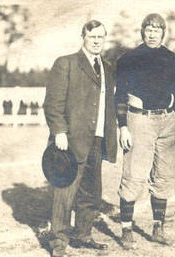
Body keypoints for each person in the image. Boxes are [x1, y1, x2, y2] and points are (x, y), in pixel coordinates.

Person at [115, 13, 175, 249]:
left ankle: (158, 228)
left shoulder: (172, 59)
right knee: (134, 175)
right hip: (140, 120)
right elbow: (119, 96)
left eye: (156, 30)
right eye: (148, 29)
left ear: (162, 33)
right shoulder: (129, 58)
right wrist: (123, 126)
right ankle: (126, 230)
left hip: (167, 120)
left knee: (163, 176)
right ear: (143, 31)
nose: (152, 34)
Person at [44, 20, 117, 257]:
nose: (97, 41)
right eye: (92, 36)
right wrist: (59, 132)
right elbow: (52, 104)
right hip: (71, 140)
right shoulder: (66, 63)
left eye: (101, 37)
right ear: (83, 36)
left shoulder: (107, 67)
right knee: (65, 191)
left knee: (91, 192)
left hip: (98, 139)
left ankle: (84, 235)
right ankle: (58, 241)